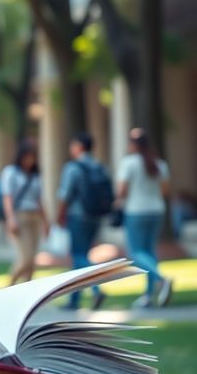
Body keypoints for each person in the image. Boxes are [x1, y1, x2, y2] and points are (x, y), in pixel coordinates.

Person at [116, 128, 172, 308]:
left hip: (136, 211)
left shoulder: (129, 163)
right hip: (156, 210)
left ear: (133, 145)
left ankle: (162, 279)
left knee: (135, 252)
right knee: (149, 252)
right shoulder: (159, 164)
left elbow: (122, 191)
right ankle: (148, 296)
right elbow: (165, 191)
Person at [56, 132, 107, 310]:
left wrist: (59, 215)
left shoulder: (73, 167)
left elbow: (65, 195)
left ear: (78, 146)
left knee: (79, 256)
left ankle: (96, 289)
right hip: (96, 216)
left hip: (78, 216)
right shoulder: (99, 166)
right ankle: (74, 300)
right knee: (81, 257)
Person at [0, 139, 48, 285]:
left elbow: (39, 200)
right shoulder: (11, 173)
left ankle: (26, 290)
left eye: (33, 157)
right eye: (28, 156)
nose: (30, 160)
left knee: (32, 260)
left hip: (35, 217)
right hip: (20, 216)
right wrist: (10, 219)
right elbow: (7, 197)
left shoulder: (35, 176)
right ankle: (9, 287)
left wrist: (46, 221)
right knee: (25, 258)